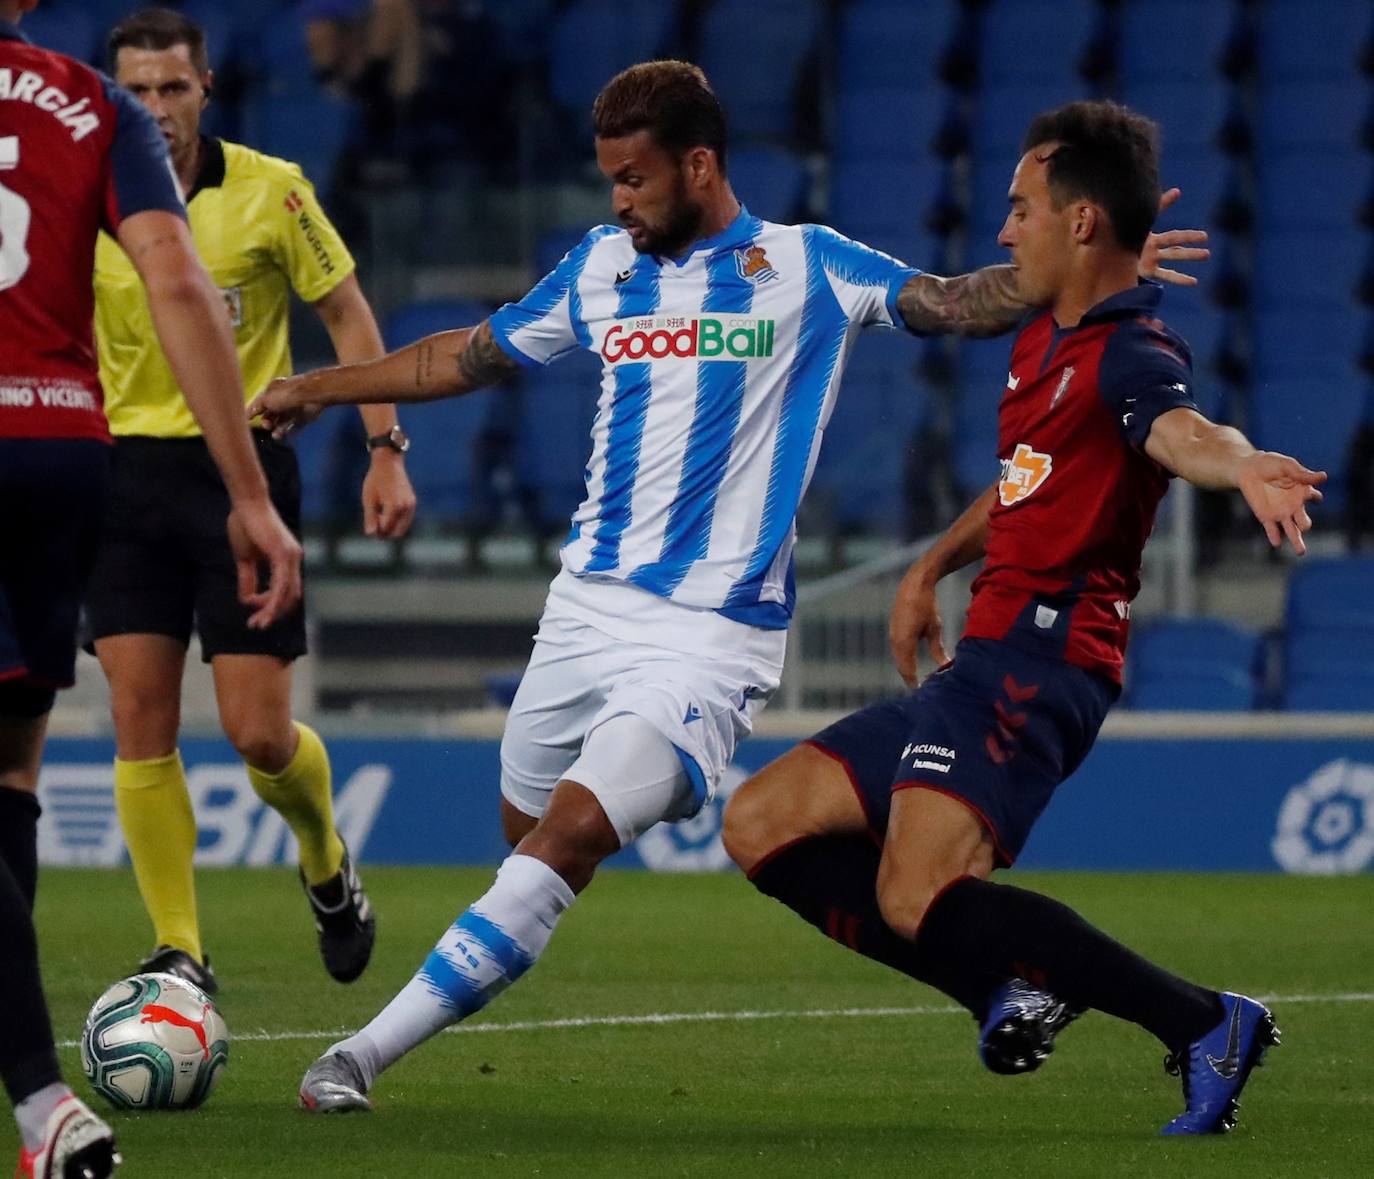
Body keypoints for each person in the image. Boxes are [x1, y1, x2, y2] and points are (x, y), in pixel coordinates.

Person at [246, 62, 1206, 1114]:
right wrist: (314, 389)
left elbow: (958, 302)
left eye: (633, 179)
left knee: (565, 839)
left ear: (698, 164)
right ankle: (986, 979)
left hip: (710, 637)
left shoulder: (807, 267)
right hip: (581, 615)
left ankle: (358, 1059)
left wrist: (1094, 263)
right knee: (528, 841)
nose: (617, 200)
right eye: (609, 180)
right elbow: (462, 360)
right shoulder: (600, 269)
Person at [721, 100, 1323, 1135]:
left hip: (1042, 662)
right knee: (761, 821)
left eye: (1021, 208)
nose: (1004, 229)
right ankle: (1017, 981)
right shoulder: (1050, 338)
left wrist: (1244, 465)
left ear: (1080, 223)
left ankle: (1202, 1023)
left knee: (917, 893)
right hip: (985, 655)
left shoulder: (1130, 354)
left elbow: (1183, 431)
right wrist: (933, 568)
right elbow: (1025, 485)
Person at [0, 0, 301, 1172]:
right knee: (12, 766)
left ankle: (40, 1102)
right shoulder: (92, 106)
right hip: (68, 452)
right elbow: (175, 279)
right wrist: (253, 494)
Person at [88, 6, 416, 995]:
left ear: (206, 89)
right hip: (121, 477)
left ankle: (324, 856)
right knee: (138, 717)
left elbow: (347, 310)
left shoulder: (271, 192)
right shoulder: (85, 194)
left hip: (241, 478)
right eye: (134, 92)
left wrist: (384, 448)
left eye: (172, 89)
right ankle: (179, 950)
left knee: (258, 736)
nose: (154, 109)